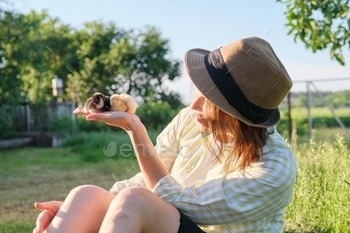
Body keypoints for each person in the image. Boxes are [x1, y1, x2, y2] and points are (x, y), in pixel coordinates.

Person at [33, 36, 297, 233]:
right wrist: (89, 208)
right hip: (172, 221)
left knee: (132, 200)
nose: (193, 106)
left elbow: (188, 206)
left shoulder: (274, 169)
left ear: (238, 117)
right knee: (85, 196)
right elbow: (148, 179)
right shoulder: (189, 119)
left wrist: (135, 129)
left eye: (210, 101)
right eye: (198, 91)